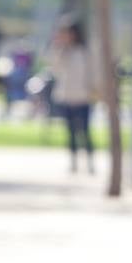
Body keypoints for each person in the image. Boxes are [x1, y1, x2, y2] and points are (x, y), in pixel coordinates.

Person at [47, 19, 98, 174]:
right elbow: (54, 69)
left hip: (84, 96)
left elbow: (93, 73)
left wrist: (94, 90)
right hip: (66, 96)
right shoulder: (62, 52)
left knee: (85, 130)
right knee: (70, 132)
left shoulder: (84, 52)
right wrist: (58, 48)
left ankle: (90, 162)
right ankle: (73, 162)